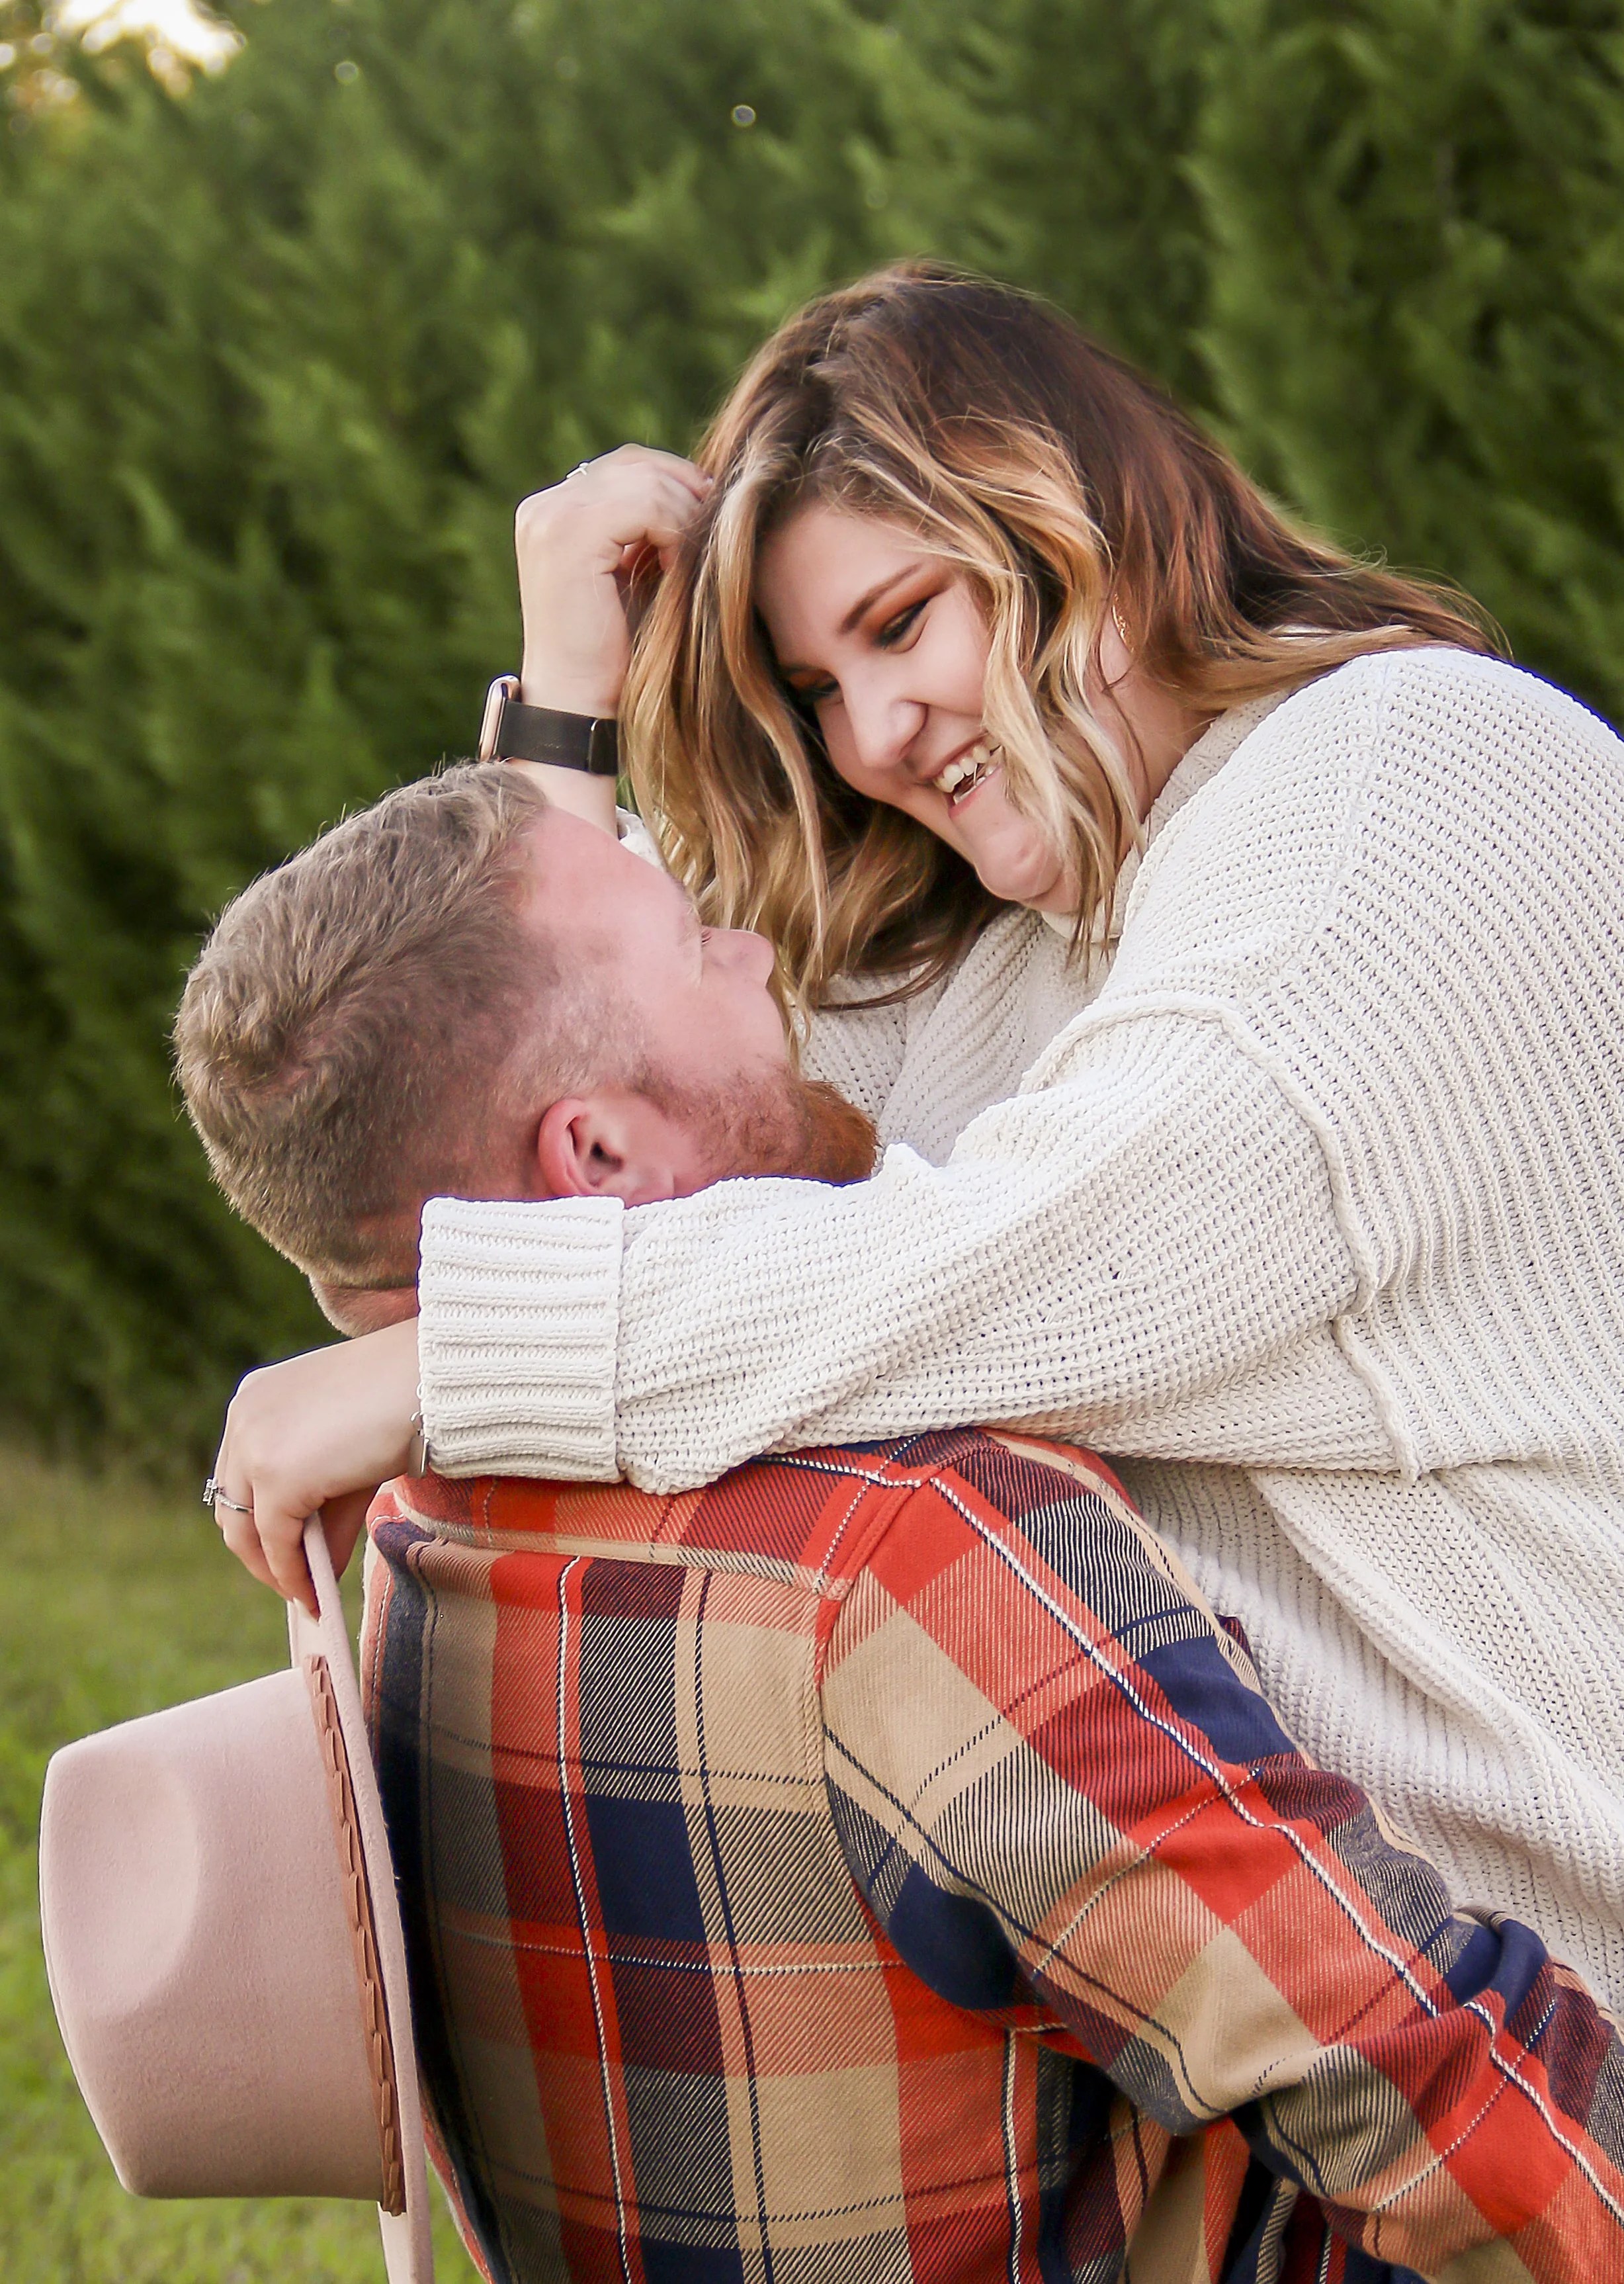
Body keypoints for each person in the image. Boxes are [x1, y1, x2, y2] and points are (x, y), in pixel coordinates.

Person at [206, 264, 1624, 2016]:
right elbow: (591, 1090)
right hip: (1357, 2047)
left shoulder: (1406, 781)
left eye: (900, 624)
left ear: (1083, 522)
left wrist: (454, 1362)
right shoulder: (1043, 931)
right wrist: (568, 700)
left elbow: (1018, 1263)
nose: (871, 737)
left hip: (1561, 2075)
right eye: (814, 683)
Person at [177, 765, 1624, 2284]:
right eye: (690, 941)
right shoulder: (911, 1548)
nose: (751, 946)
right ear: (595, 1154)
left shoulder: (423, 1524)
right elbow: (1434, 2095)